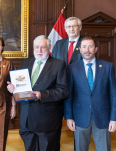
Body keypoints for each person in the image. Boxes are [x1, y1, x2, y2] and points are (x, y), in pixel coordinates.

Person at [7, 35, 69, 151]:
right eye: (36, 47)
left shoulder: (58, 64)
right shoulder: (25, 62)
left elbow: (63, 91)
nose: (39, 50)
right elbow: (21, 86)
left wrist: (42, 95)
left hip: (46, 121)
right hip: (26, 120)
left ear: (49, 48)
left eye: (43, 47)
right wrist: (13, 88)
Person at [64, 36, 116, 151]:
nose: (87, 50)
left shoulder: (107, 67)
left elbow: (113, 94)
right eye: (84, 47)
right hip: (79, 118)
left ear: (96, 49)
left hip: (103, 118)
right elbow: (69, 95)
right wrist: (69, 117)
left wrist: (114, 118)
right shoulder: (72, 68)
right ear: (80, 49)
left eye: (90, 46)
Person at [51, 16, 83, 151]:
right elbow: (53, 65)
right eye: (69, 26)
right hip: (60, 88)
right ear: (64, 29)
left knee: (79, 126)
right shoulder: (59, 44)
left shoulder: (85, 43)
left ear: (80, 28)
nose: (71, 29)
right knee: (56, 124)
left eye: (74, 26)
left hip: (79, 90)